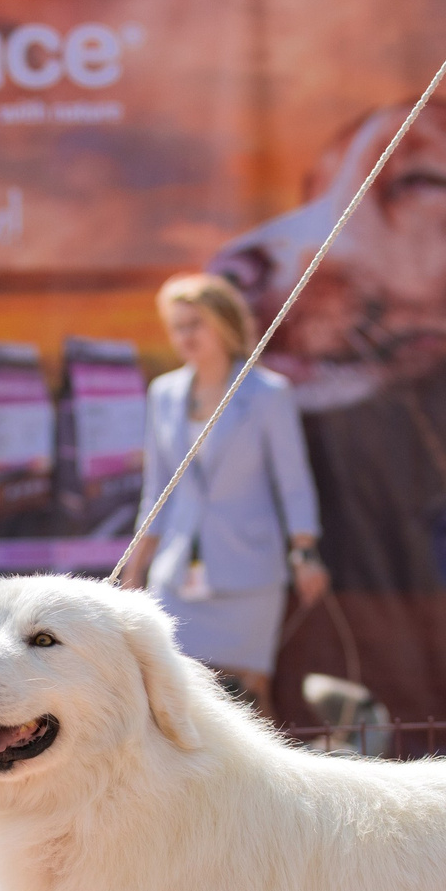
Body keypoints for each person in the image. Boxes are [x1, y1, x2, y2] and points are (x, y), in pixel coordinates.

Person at [121, 273, 329, 703]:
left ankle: (259, 775)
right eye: (177, 326)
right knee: (172, 696)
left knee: (251, 696)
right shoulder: (163, 393)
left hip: (249, 572)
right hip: (176, 577)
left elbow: (293, 482)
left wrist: (304, 552)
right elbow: (157, 490)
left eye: (195, 323)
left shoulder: (268, 392)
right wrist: (135, 569)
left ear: (224, 324)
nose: (185, 336)